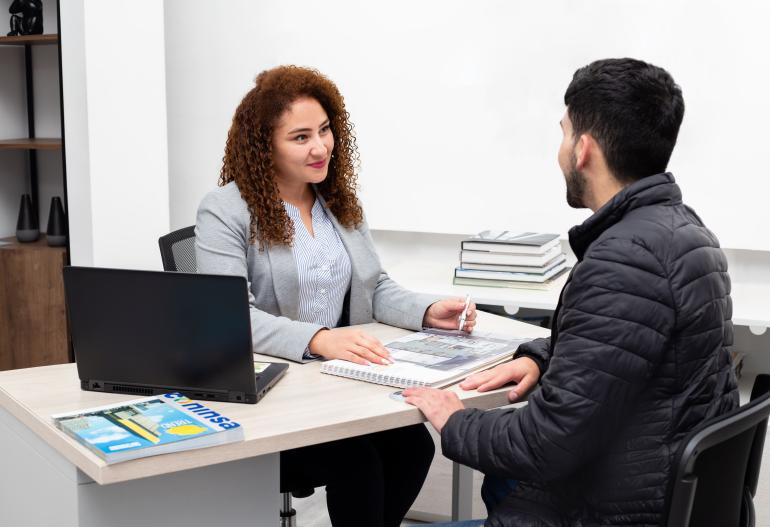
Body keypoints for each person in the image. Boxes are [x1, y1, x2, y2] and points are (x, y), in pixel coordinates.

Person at [405, 58, 739, 526]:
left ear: (583, 148)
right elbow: (622, 349)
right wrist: (540, 359)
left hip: (612, 510)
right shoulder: (683, 232)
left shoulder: (626, 259)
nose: (559, 150)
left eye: (563, 134)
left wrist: (455, 419)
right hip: (651, 486)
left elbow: (545, 443)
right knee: (501, 483)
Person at [195, 65, 477, 527]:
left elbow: (374, 288)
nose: (321, 147)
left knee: (414, 447)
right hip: (271, 394)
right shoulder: (226, 210)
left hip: (337, 386)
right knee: (359, 464)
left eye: (325, 130)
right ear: (264, 144)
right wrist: (319, 339)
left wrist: (427, 310)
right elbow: (228, 318)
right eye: (301, 137)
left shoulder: (338, 201)